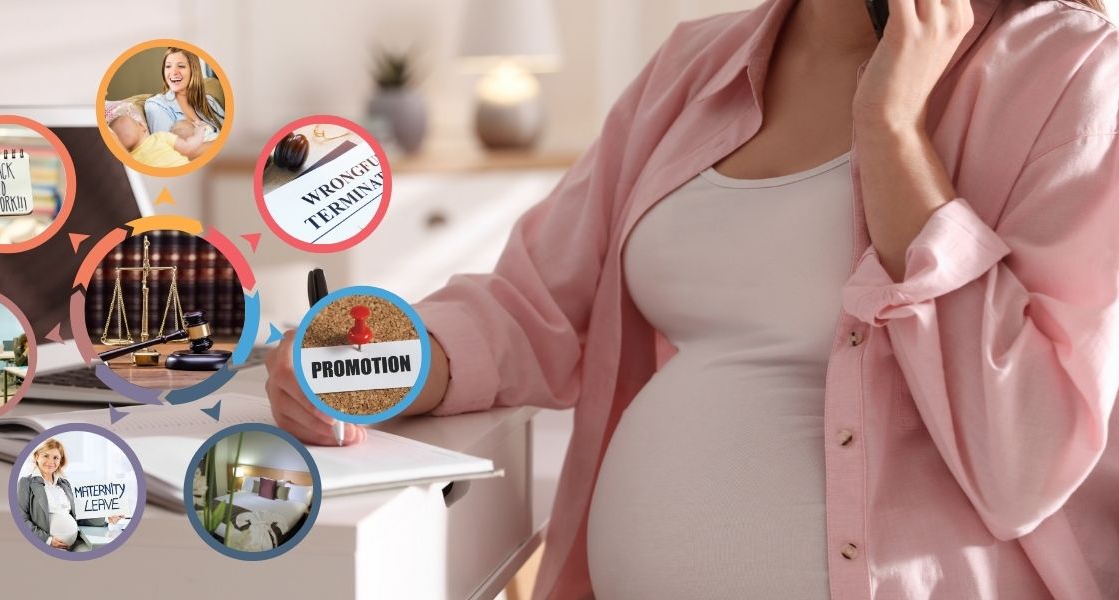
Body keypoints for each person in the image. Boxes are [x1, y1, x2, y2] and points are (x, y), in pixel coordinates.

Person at [265, 0, 1119, 597]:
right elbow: (533, 306)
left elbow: (1026, 461)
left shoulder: (1069, 72)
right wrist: (371, 359)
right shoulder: (690, 67)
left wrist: (893, 131)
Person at [16, 438, 124, 552]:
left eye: (56, 458)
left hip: (74, 543)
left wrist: (107, 517)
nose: (51, 461)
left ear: (60, 461)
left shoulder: (64, 484)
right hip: (49, 546)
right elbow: (21, 519)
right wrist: (47, 540)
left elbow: (79, 515)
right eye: (46, 456)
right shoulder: (26, 482)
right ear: (37, 456)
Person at [143, 47, 224, 141]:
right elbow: (168, 149)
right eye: (168, 66)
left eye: (181, 66)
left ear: (194, 71)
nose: (173, 72)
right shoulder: (156, 105)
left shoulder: (209, 101)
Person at [106, 101, 208, 166]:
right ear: (142, 126)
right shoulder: (159, 137)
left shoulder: (132, 162)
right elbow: (189, 147)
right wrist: (199, 131)